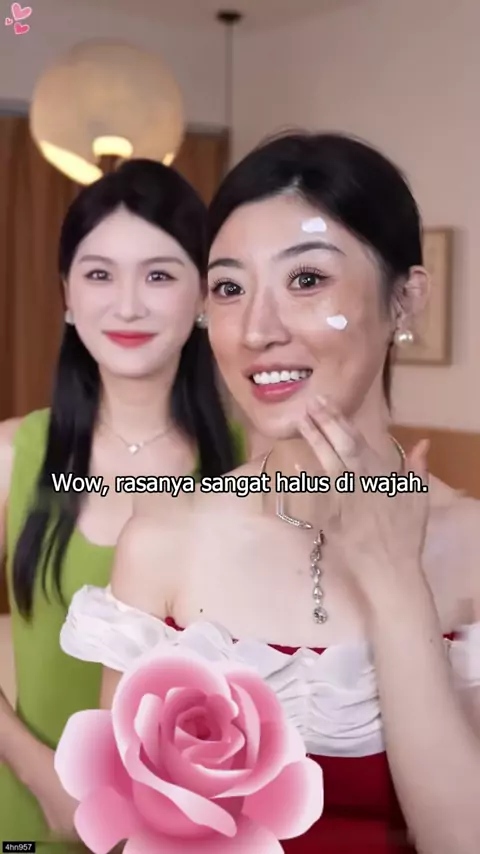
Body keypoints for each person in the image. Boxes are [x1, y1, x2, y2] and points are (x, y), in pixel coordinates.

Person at [61, 134, 480, 853]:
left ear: (406, 300)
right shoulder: (163, 541)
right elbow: (129, 832)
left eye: (307, 279)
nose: (256, 330)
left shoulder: (470, 547)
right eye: (229, 289)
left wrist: (395, 584)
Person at [0, 159, 246, 847]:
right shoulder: (12, 455)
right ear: (67, 296)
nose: (128, 305)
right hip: (32, 817)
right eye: (99, 274)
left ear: (204, 296)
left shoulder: (253, 466)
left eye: (159, 275)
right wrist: (40, 775)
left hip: (199, 830)